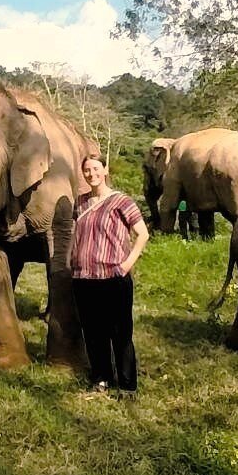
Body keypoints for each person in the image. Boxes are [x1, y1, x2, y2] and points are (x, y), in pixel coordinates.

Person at [71, 153, 150, 397]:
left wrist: (126, 264)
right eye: (87, 170)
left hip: (113, 277)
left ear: (105, 170)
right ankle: (101, 379)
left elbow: (143, 234)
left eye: (96, 168)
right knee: (93, 332)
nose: (91, 174)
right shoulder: (80, 203)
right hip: (84, 278)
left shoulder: (121, 201)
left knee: (120, 332)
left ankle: (127, 385)